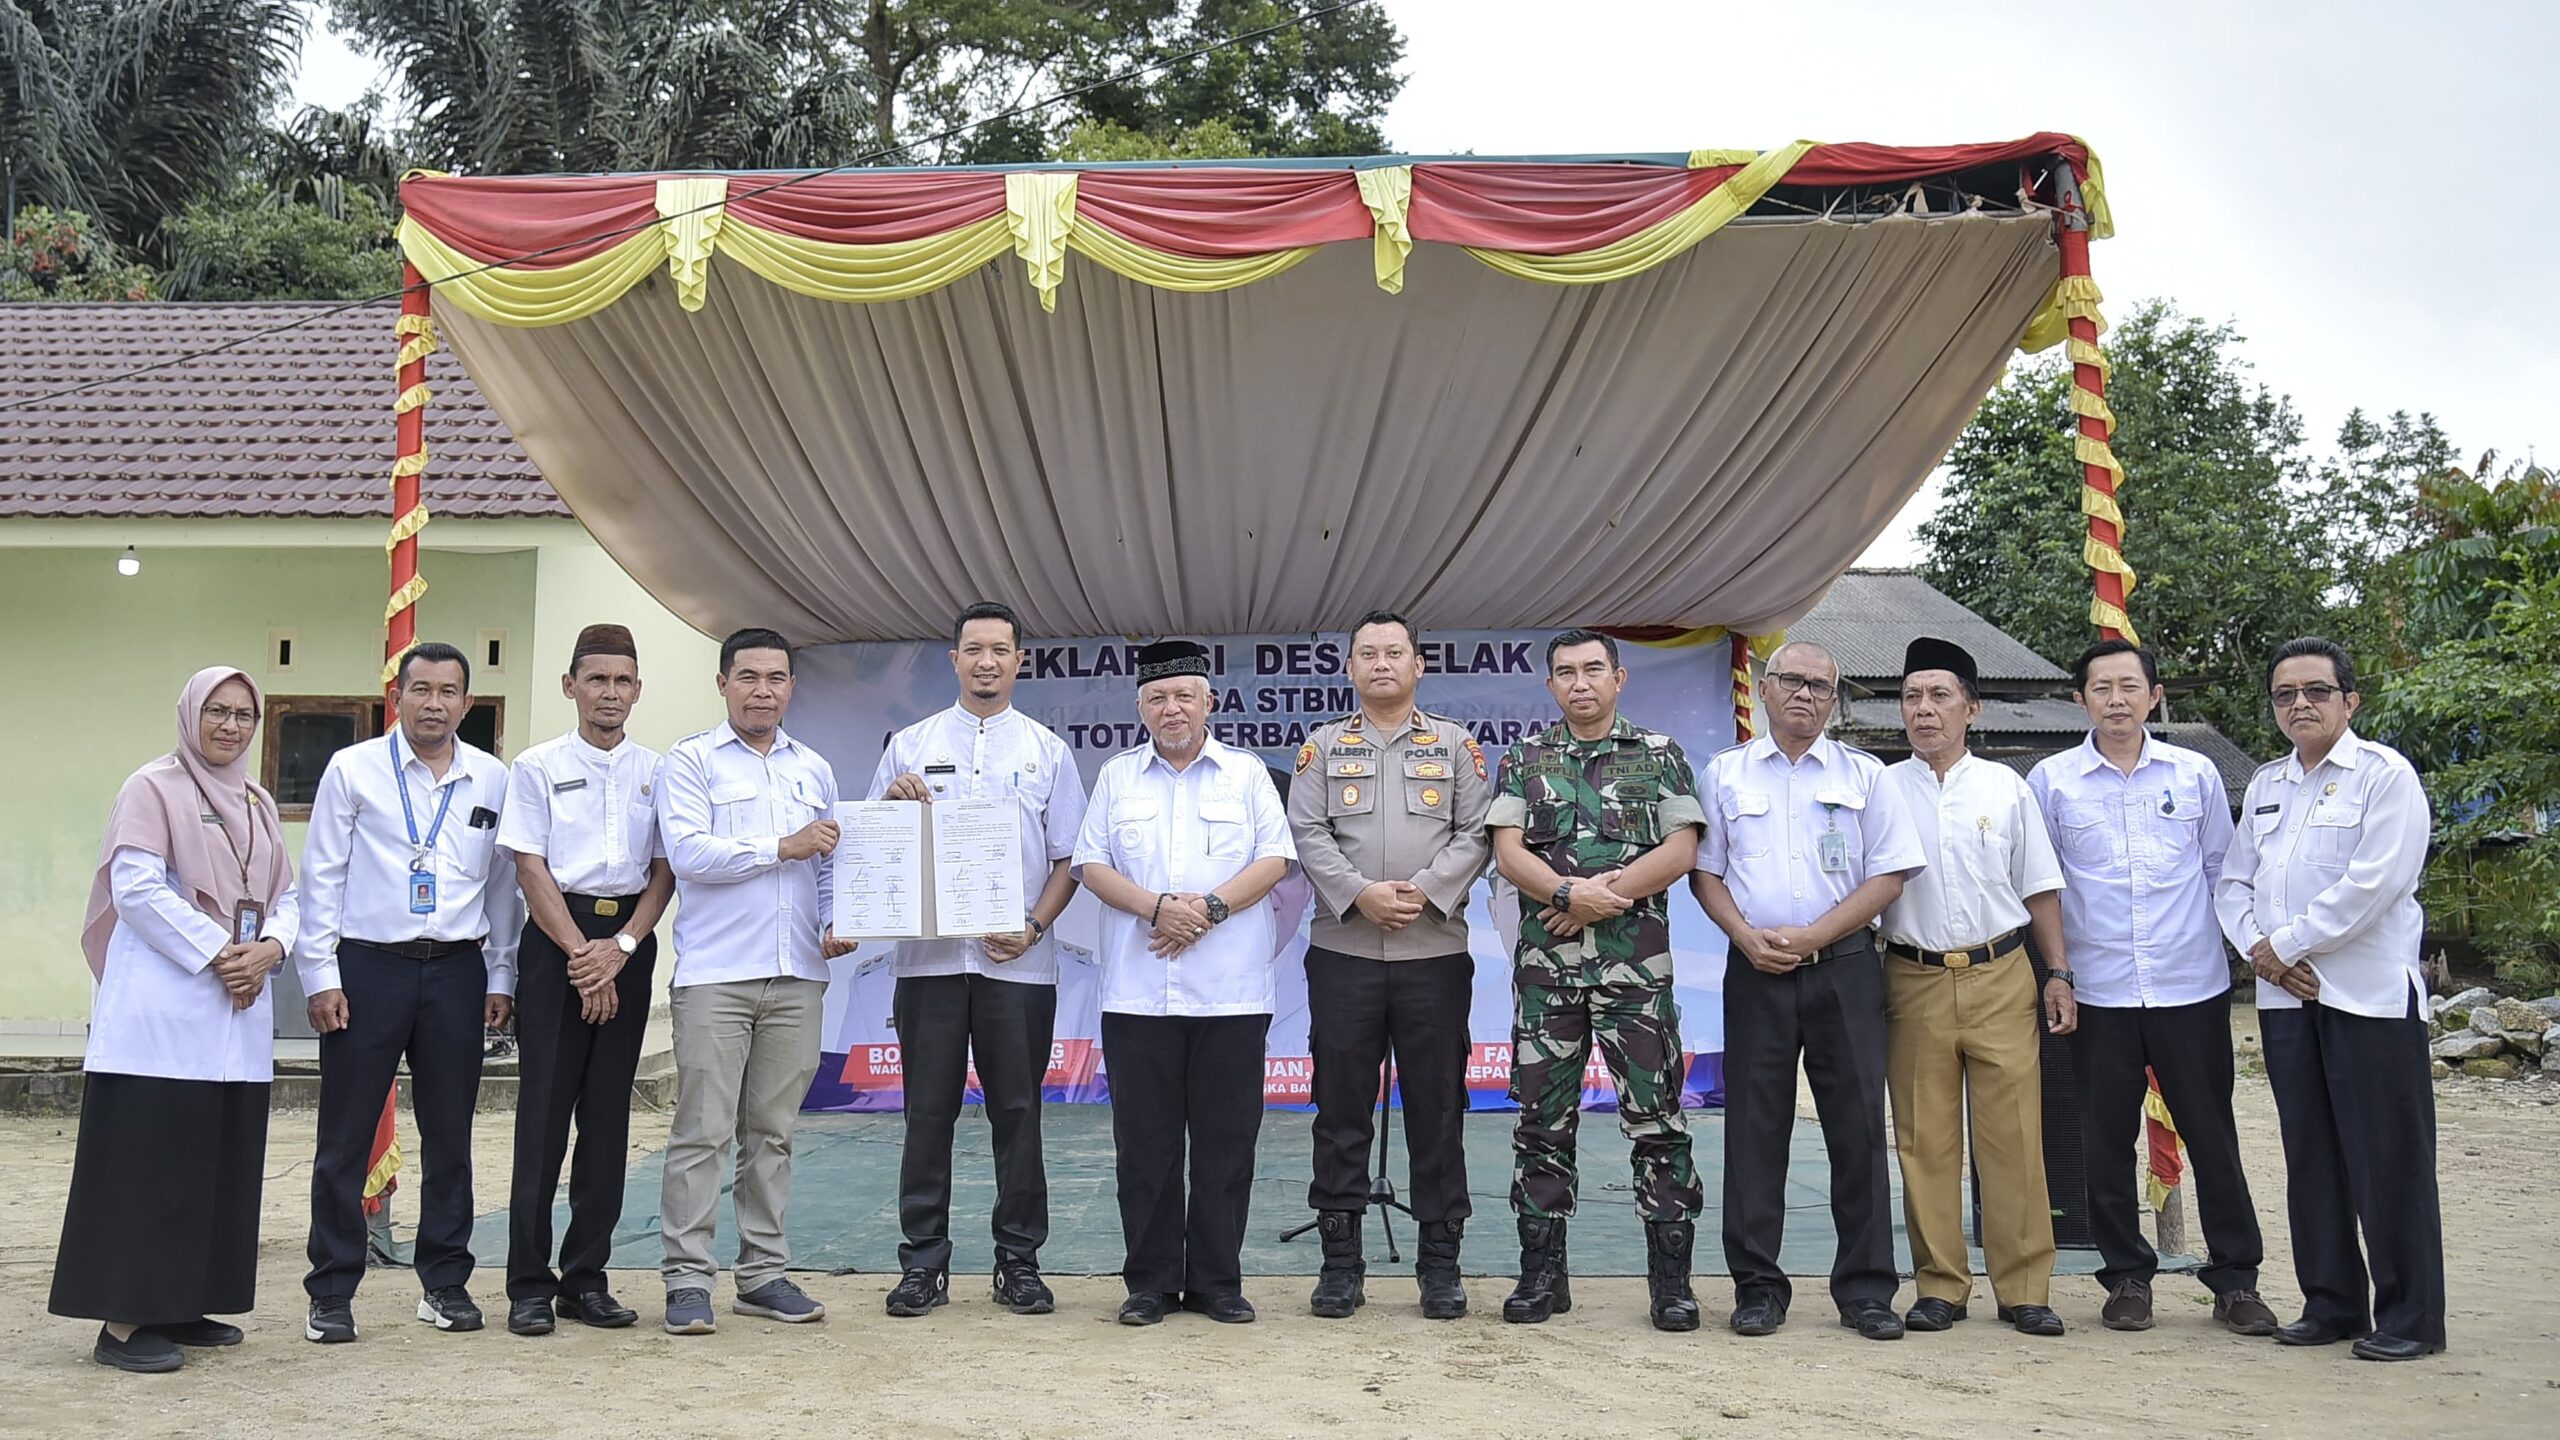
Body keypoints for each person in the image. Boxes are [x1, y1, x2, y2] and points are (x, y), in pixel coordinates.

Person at [51, 667, 299, 1372]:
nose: (229, 726)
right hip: (164, 1011)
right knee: (147, 1166)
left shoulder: (255, 800)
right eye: (216, 711)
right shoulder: (152, 786)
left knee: (212, 1163)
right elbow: (135, 886)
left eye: (244, 715)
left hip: (236, 1006)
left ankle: (184, 1303)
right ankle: (123, 1325)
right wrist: (221, 951)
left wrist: (272, 948)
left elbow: (287, 893)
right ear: (191, 715)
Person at [2028, 638, 2276, 1337]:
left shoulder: (2194, 775)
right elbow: (2043, 886)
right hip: (2098, 991)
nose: (2116, 699)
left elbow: (2221, 874)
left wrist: (2244, 957)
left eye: (2130, 686)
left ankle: (2235, 1281)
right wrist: (2057, 973)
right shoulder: (2051, 781)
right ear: (2079, 700)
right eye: (2101, 687)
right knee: (2104, 1142)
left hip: (2189, 987)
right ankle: (2127, 1277)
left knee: (2212, 1135)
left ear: (2154, 695)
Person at [2216, 637, 2444, 1361]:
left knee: (2387, 1161)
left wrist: (2286, 947)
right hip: (2288, 1002)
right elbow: (2233, 884)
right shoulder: (2267, 785)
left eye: (2316, 690)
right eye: (2285, 694)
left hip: (2368, 1002)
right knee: (2310, 1156)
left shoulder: (2385, 777)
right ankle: (2331, 1304)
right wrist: (2266, 956)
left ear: (2351, 700)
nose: (2300, 704)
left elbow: (2375, 885)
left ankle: (2409, 1318)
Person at [1692, 639, 1924, 1341]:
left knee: (1857, 1129)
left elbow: (1891, 874)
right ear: (1764, 690)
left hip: (1847, 968)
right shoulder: (1726, 774)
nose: (1805, 695)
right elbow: (1706, 872)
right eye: (1791, 681)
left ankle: (1866, 1291)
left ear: (1834, 699)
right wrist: (1744, 936)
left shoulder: (1865, 776)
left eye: (1820, 687)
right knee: (1756, 1131)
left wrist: (1819, 933)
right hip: (1755, 969)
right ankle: (1758, 1287)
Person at [297, 641, 522, 1342]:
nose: (434, 704)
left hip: (457, 971)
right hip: (368, 968)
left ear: (466, 701)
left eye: (448, 691)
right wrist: (320, 975)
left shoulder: (492, 779)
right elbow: (322, 876)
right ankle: (332, 1290)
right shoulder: (354, 770)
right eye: (420, 689)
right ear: (398, 697)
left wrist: (501, 975)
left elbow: (503, 888)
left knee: (451, 1134)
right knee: (346, 1133)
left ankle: (445, 1283)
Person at [869, 601, 1088, 1319]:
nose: (987, 661)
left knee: (1018, 1114)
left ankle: (1018, 1262)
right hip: (929, 966)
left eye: (1000, 649)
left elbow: (1069, 860)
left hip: (1017, 965)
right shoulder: (909, 744)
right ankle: (922, 1264)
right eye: (974, 649)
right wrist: (897, 808)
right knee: (926, 1115)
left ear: (1020, 659)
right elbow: (873, 846)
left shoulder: (1046, 751)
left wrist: (1032, 926)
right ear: (954, 659)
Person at [1072, 640, 1295, 1326]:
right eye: (1159, 698)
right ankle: (1149, 1282)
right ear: (1141, 707)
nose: (1173, 709)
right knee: (1145, 1148)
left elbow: (1275, 859)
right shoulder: (1117, 777)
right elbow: (1090, 865)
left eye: (1185, 696)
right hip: (1139, 994)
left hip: (1230, 993)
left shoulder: (1247, 774)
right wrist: (1159, 909)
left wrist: (1207, 910)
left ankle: (1217, 1282)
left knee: (1227, 1145)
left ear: (1209, 703)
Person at [1488, 628, 1706, 1332]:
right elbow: (1508, 850)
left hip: (1634, 973)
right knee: (1540, 1126)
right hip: (1548, 978)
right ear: (1550, 686)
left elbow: (1680, 847)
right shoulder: (1524, 759)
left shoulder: (1661, 756)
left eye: (1592, 670)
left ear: (1619, 678)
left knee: (1658, 1124)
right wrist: (1563, 896)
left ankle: (1670, 1285)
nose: (1579, 683)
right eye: (1565, 673)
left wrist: (1605, 894)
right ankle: (1541, 1277)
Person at [1286, 610, 1492, 1321]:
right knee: (1339, 1110)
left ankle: (1441, 1265)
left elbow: (1476, 834)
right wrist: (1358, 894)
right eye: (1367, 653)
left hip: (1433, 954)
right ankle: (1341, 1265)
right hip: (1344, 953)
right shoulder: (1320, 748)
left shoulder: (1459, 746)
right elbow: (1306, 834)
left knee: (1438, 1110)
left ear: (1417, 665)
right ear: (1350, 667)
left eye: (1393, 652)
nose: (1381, 664)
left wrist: (1426, 892)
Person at [654, 627, 855, 1335]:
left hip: (799, 972)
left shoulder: (815, 770)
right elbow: (687, 853)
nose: (762, 690)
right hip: (718, 975)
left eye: (776, 677)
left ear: (792, 687)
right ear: (722, 683)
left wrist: (837, 920)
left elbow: (829, 863)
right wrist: (781, 846)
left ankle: (763, 1273)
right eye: (748, 677)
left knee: (772, 1132)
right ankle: (686, 1280)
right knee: (703, 1131)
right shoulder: (690, 762)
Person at [1875, 638, 2077, 1337]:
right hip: (1912, 976)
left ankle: (2024, 1288)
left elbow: (2041, 888)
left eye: (1939, 697)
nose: (1924, 711)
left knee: (2013, 1137)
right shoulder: (1880, 789)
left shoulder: (2007, 788)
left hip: (2001, 974)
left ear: (1972, 708)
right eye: (1911, 697)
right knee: (1923, 1139)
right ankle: (1940, 1285)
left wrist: (2058, 974)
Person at [497, 624, 675, 1336]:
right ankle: (528, 1285)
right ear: (570, 686)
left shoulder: (658, 771)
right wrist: (581, 957)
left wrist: (621, 948)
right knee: (542, 1121)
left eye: (622, 680)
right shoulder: (536, 766)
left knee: (607, 1121)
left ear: (637, 690)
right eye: (596, 679)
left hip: (628, 944)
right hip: (556, 944)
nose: (610, 693)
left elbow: (665, 869)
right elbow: (529, 867)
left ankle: (586, 1279)